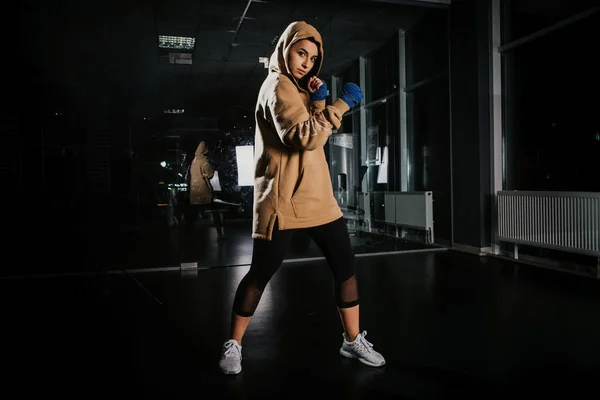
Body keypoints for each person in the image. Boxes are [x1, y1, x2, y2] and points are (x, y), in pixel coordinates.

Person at [218, 21, 385, 375]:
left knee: (346, 269)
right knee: (259, 275)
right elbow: (302, 137)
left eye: (312, 57)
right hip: (283, 201)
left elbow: (313, 132)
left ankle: (352, 341)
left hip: (319, 198)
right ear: (285, 49)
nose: (306, 62)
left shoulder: (296, 89)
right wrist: (340, 104)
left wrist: (319, 100)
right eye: (301, 53)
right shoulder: (277, 86)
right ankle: (234, 344)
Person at [186, 141, 225, 241]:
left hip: (194, 193)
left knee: (193, 215)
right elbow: (210, 174)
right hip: (204, 192)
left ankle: (187, 235)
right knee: (215, 212)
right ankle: (220, 234)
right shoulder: (204, 161)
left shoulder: (193, 161)